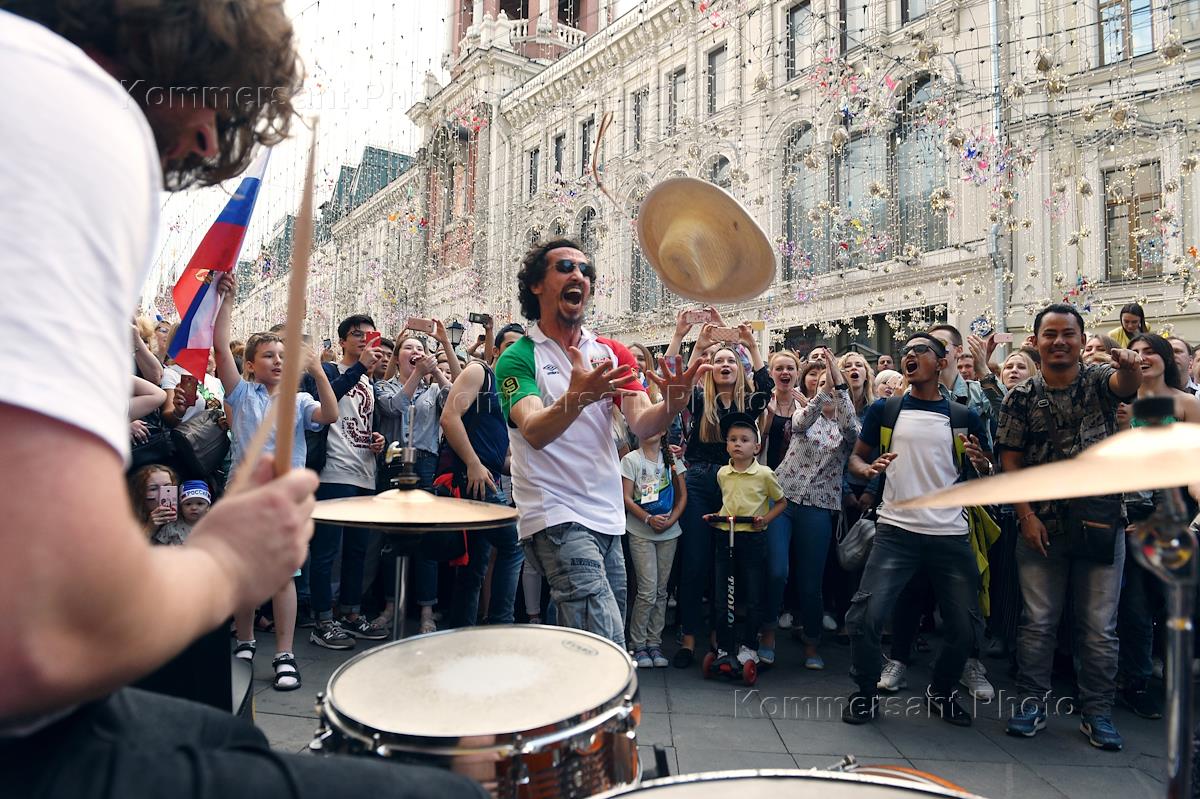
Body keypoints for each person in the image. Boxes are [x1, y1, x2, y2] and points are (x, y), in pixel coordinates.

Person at [0, 3, 485, 797]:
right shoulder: (68, 104)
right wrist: (226, 561)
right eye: (222, 103)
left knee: (230, 732)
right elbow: (52, 630)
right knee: (447, 793)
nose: (208, 145)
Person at [496, 240, 705, 648]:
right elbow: (534, 431)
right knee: (605, 643)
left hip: (608, 516)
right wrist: (577, 398)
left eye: (585, 270)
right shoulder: (518, 357)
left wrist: (673, 404)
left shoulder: (611, 352)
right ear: (536, 285)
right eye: (565, 267)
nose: (578, 275)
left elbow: (642, 423)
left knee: (589, 647)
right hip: (555, 513)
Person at [996, 303, 1142, 751]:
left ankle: (1097, 713)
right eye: (1050, 334)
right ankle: (1031, 704)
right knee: (1038, 622)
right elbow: (1010, 461)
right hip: (1042, 526)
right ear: (1036, 341)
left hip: (1100, 521)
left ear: (1081, 340)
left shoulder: (1098, 380)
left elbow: (1125, 386)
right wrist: (1025, 516)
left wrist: (1130, 365)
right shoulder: (1020, 396)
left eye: (1068, 334)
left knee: (1099, 627)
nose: (1059, 342)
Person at [842, 333, 992, 727]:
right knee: (865, 618)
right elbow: (856, 459)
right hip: (895, 532)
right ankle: (865, 693)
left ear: (941, 363)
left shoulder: (963, 416)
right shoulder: (885, 410)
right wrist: (867, 469)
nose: (909, 356)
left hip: (950, 535)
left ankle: (941, 690)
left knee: (965, 628)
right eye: (906, 351)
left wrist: (981, 463)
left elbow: (987, 467)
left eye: (920, 351)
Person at [214, 281, 340, 690]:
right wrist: (227, 301)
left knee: (284, 576)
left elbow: (330, 415)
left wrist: (317, 371)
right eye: (269, 355)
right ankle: (245, 639)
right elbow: (220, 348)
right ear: (250, 365)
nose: (278, 361)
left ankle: (285, 653)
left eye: (284, 356)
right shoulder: (241, 394)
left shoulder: (298, 401)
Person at [666, 319, 772, 668]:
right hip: (698, 480)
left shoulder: (748, 404)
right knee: (695, 560)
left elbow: (767, 385)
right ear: (711, 370)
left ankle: (719, 634)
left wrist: (751, 345)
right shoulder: (699, 400)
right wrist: (696, 344)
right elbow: (674, 383)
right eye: (719, 360)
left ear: (740, 370)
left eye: (731, 360)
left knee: (723, 564)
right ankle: (688, 637)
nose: (725, 364)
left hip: (734, 484)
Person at [765, 349, 858, 669]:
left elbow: (853, 432)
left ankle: (811, 642)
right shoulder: (803, 415)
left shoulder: (847, 427)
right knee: (776, 571)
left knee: (811, 581)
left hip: (819, 506)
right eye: (820, 385)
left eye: (832, 386)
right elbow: (803, 420)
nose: (827, 390)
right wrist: (823, 390)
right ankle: (767, 634)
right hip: (783, 499)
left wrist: (839, 384)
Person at [308, 315, 389, 649]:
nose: (364, 340)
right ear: (342, 341)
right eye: (357, 335)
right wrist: (358, 369)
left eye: (369, 335)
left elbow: (366, 419)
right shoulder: (329, 372)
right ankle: (322, 620)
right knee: (326, 550)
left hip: (364, 472)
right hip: (334, 471)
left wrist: (378, 439)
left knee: (357, 550)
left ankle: (351, 614)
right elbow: (323, 402)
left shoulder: (369, 381)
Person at [375, 324, 460, 633]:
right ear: (398, 357)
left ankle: (426, 610)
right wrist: (416, 375)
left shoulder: (433, 390)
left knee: (426, 540)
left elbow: (457, 401)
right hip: (393, 462)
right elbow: (394, 407)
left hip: (425, 463)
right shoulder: (383, 387)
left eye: (420, 349)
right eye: (409, 348)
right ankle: (390, 606)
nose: (416, 352)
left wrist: (435, 372)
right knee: (391, 539)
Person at [443, 323, 526, 629]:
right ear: (496, 351)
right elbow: (448, 418)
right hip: (470, 477)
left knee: (475, 568)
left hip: (484, 476)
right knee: (513, 543)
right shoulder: (479, 372)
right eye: (511, 346)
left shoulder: (509, 392)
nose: (518, 353)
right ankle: (501, 625)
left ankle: (461, 634)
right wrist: (473, 463)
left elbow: (501, 458)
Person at [706, 413, 787, 667]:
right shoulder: (723, 473)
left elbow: (781, 503)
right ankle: (724, 646)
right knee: (723, 596)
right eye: (732, 440)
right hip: (726, 534)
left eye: (744, 440)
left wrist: (765, 519)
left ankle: (749, 645)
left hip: (752, 537)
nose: (737, 444)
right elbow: (727, 502)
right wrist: (715, 517)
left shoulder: (764, 474)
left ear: (757, 447)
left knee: (753, 594)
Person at [621, 429, 687, 668]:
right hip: (640, 532)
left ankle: (654, 642)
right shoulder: (631, 459)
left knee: (661, 591)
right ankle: (638, 644)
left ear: (663, 430)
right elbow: (626, 497)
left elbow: (682, 496)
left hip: (669, 532)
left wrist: (671, 521)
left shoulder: (671, 458)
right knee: (647, 590)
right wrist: (648, 519)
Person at [154, 480, 212, 547]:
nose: (194, 508)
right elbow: (157, 549)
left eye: (200, 503)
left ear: (208, 507)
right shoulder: (170, 528)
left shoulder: (213, 528)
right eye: (188, 504)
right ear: (181, 507)